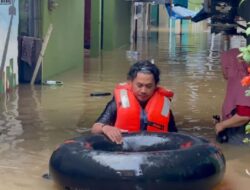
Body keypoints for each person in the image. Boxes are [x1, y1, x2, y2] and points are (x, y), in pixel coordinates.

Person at [91, 60, 177, 144]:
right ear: (130, 83)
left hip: (153, 151)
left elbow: (175, 136)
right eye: (139, 85)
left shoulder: (164, 108)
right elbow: (95, 128)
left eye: (149, 86)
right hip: (124, 150)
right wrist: (105, 128)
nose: (143, 90)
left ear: (155, 86)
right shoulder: (117, 104)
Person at [214, 48, 250, 143]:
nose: (222, 68)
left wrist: (222, 125)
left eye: (224, 65)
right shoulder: (238, 80)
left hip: (241, 137)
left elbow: (244, 115)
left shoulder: (243, 83)